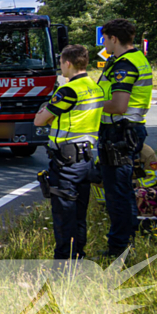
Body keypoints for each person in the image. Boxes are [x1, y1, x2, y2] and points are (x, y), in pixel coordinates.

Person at [33, 45, 104, 260]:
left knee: (64, 215)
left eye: (61, 63)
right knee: (79, 214)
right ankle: (78, 255)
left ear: (68, 63)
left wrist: (44, 112)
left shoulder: (68, 90)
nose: (61, 67)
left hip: (66, 161)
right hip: (86, 158)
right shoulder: (94, 87)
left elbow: (39, 120)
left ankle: (64, 261)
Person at [96, 18, 153, 257]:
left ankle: (119, 248)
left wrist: (88, 103)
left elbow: (119, 105)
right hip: (126, 130)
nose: (104, 43)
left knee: (117, 192)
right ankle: (126, 242)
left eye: (105, 39)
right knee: (123, 189)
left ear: (113, 39)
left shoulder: (124, 65)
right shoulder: (131, 59)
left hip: (120, 131)